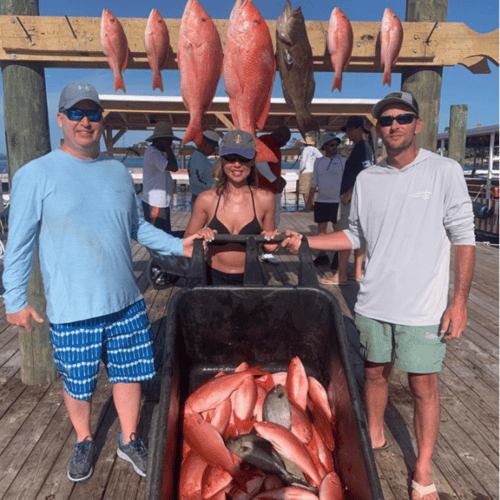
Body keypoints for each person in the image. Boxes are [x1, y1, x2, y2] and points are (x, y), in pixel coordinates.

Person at [1, 81, 208, 483]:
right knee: (78, 384)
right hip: (71, 309)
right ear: (60, 119)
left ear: (101, 121)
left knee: (128, 375)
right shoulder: (34, 174)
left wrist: (179, 245)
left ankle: (129, 439)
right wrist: (14, 301)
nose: (84, 121)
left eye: (92, 113)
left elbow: (137, 228)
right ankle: (83, 440)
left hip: (127, 303)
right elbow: (19, 244)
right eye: (75, 113)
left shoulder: (116, 171)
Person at [282, 91, 476, 500]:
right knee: (373, 374)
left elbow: (464, 238)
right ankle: (373, 435)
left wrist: (458, 302)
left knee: (424, 387)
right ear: (377, 128)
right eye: (386, 120)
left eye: (404, 117)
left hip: (423, 307)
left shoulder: (445, 170)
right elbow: (355, 235)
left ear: (418, 124)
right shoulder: (367, 179)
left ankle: (422, 467)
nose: (395, 125)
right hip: (372, 303)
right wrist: (307, 240)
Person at [184, 130, 278, 285]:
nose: (237, 163)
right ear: (221, 160)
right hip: (213, 278)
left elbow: (269, 246)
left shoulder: (266, 199)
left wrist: (272, 242)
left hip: (253, 279)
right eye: (230, 157)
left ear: (253, 160)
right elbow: (187, 240)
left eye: (243, 158)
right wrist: (200, 235)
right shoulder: (206, 199)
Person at [334, 115, 375, 283]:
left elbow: (366, 174)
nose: (348, 133)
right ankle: (357, 271)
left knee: (344, 234)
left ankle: (340, 274)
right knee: (360, 234)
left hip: (352, 201)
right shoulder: (365, 147)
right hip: (360, 199)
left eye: (350, 129)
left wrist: (349, 193)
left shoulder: (362, 147)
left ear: (359, 128)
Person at [306, 133, 346, 277]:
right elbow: (314, 181)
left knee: (337, 230)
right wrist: (310, 198)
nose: (335, 147)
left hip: (337, 201)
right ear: (325, 147)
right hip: (322, 200)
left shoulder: (343, 161)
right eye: (331, 145)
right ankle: (322, 255)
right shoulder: (318, 162)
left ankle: (337, 255)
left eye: (336, 144)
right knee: (321, 229)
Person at [255, 126, 291, 264]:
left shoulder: (274, 145)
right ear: (279, 135)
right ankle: (262, 250)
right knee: (263, 221)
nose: (286, 144)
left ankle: (266, 251)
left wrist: (278, 180)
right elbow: (259, 162)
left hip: (273, 191)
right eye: (285, 140)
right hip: (263, 191)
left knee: (273, 222)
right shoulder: (264, 141)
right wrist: (274, 179)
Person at [141, 120, 181, 234]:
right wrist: (168, 149)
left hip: (160, 202)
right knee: (158, 236)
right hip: (155, 203)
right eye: (168, 140)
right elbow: (174, 167)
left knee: (164, 234)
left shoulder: (155, 153)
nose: (170, 142)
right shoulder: (153, 153)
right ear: (160, 140)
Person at [187, 130, 219, 208]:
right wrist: (213, 186)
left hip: (203, 198)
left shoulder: (201, 157)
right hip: (200, 199)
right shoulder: (198, 158)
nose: (214, 150)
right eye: (213, 147)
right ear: (205, 144)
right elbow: (195, 180)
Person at [299, 132, 322, 205]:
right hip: (314, 172)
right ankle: (312, 205)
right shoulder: (315, 150)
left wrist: (301, 169)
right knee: (312, 191)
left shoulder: (305, 149)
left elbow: (303, 161)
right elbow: (321, 158)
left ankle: (308, 206)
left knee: (305, 191)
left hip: (306, 172)